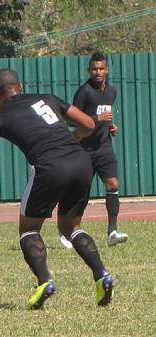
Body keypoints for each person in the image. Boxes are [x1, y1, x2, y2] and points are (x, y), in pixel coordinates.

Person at [0, 68, 115, 309]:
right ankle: (102, 274)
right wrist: (72, 140)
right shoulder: (48, 98)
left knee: (28, 230)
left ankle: (44, 282)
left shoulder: (0, 115)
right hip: (81, 162)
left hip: (49, 167)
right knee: (71, 226)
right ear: (20, 87)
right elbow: (89, 123)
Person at [59, 52, 128, 248]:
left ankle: (112, 231)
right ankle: (66, 232)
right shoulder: (84, 92)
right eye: (94, 69)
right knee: (80, 192)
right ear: (89, 70)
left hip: (104, 147)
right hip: (84, 149)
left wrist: (111, 127)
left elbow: (106, 117)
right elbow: (71, 119)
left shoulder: (111, 92)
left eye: (101, 68)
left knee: (113, 184)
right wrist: (98, 120)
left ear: (107, 70)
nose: (98, 72)